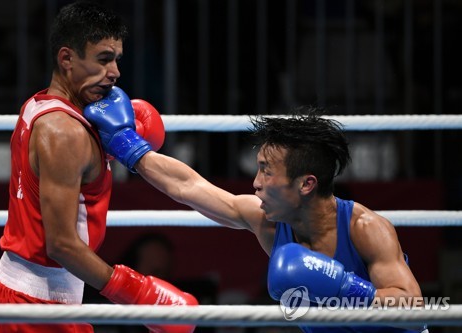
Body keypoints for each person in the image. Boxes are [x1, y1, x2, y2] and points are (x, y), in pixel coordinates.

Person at [84, 92, 428, 333]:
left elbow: (413, 310)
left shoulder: (366, 228)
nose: (255, 182)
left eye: (266, 170)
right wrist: (129, 147)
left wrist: (345, 287)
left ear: (306, 184)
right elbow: (188, 187)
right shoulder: (266, 221)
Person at [0, 2, 197, 333]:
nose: (116, 72)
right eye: (104, 59)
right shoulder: (65, 133)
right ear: (67, 59)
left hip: (12, 292)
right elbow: (61, 244)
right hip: (38, 307)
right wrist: (138, 294)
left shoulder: (38, 105)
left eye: (117, 59)